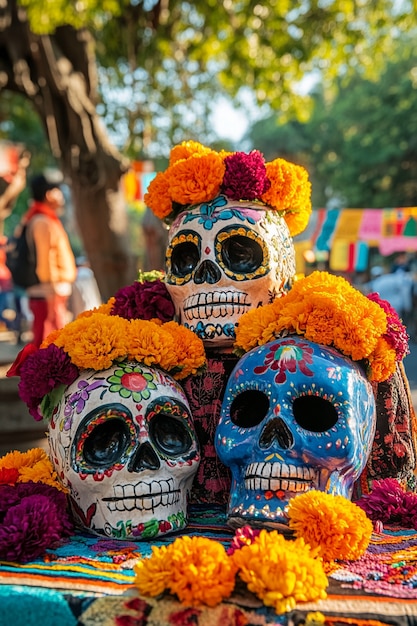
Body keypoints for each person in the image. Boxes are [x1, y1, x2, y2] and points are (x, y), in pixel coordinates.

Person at [24, 173, 77, 347]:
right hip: (48, 293)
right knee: (48, 344)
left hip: (51, 292)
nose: (61, 195)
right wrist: (52, 295)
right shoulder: (42, 222)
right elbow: (45, 263)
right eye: (58, 190)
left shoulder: (45, 219)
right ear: (48, 194)